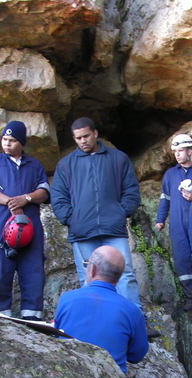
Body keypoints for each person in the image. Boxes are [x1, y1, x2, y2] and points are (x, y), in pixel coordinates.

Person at [50, 117, 142, 310]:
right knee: (88, 278)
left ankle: (134, 317)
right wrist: (72, 219)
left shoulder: (118, 158)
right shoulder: (66, 165)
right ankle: (94, 319)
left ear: (95, 133)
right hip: (82, 232)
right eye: (78, 138)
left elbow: (131, 190)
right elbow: (58, 196)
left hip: (113, 229)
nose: (83, 141)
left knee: (125, 274)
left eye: (86, 136)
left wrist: (120, 213)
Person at [0, 121, 50, 319]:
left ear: (22, 142)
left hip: (30, 226)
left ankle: (32, 317)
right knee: (0, 268)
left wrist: (26, 198)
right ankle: (1, 316)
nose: (7, 143)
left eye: (12, 140)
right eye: (4, 139)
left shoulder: (34, 165)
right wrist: (9, 201)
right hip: (0, 225)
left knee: (33, 270)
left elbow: (44, 192)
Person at [54, 246, 149, 373]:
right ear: (119, 277)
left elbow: (56, 337)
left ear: (92, 270)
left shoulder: (67, 299)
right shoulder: (132, 311)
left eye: (86, 264)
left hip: (68, 374)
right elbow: (137, 355)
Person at [154, 133, 192, 312]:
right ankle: (191, 299)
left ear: (190, 151)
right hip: (177, 224)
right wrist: (160, 219)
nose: (177, 154)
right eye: (175, 151)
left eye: (181, 150)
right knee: (181, 260)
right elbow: (165, 199)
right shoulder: (170, 174)